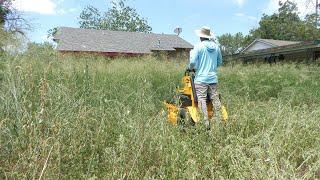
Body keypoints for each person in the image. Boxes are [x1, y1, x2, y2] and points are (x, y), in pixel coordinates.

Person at [189, 26, 223, 130]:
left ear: (200, 36)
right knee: (215, 98)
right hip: (213, 78)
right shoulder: (216, 47)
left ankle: (205, 122)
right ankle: (219, 120)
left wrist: (191, 68)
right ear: (208, 36)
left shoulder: (198, 47)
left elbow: (192, 62)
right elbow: (220, 62)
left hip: (201, 79)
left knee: (202, 100)